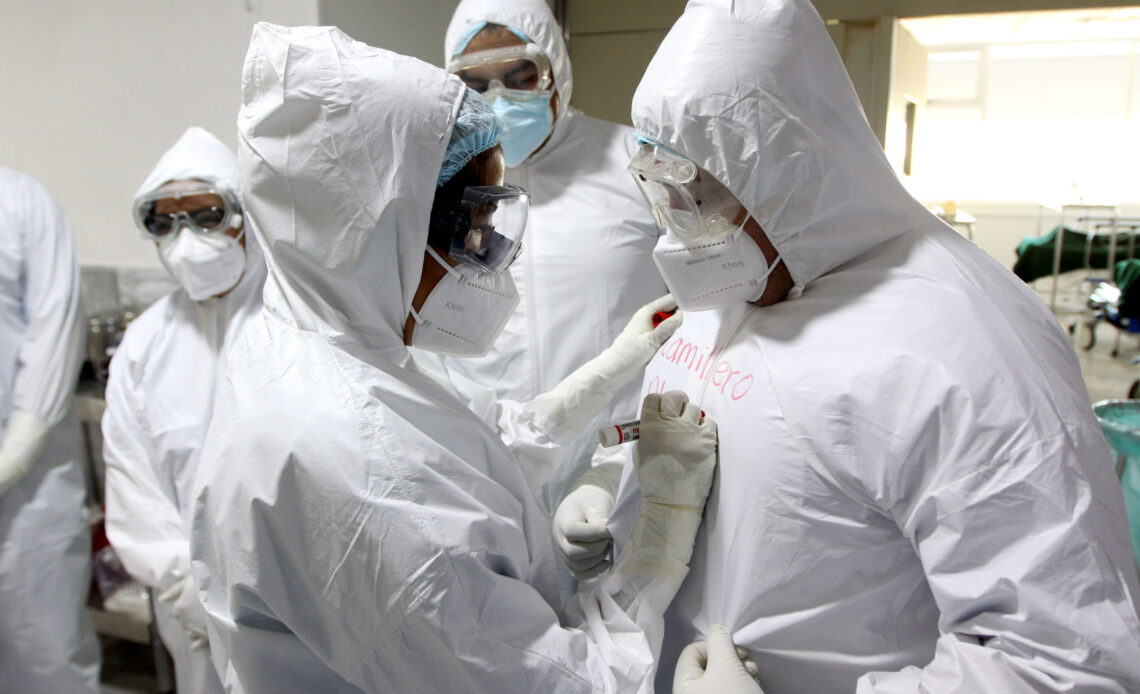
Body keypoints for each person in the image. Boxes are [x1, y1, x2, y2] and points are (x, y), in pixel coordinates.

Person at [557, 0, 1140, 692]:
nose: (682, 231)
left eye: (700, 195)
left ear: (790, 170)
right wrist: (612, 483)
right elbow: (712, 429)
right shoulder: (735, 276)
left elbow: (1063, 663)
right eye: (664, 192)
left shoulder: (966, 341)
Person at [191, 23, 716, 693]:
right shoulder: (366, 475)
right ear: (383, 228)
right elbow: (562, 682)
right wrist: (659, 544)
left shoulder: (320, 345)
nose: (489, 255)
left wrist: (596, 379)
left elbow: (456, 456)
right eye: (476, 227)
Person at [440, 0, 668, 510]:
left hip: (617, 463)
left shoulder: (634, 163)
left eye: (520, 77)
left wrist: (623, 467)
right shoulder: (443, 184)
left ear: (555, 70)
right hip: (486, 472)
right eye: (476, 84)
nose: (498, 99)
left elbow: (696, 315)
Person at [102, 126, 264, 694]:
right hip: (186, 609)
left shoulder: (293, 319)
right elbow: (132, 483)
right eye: (164, 222)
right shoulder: (145, 343)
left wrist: (247, 588)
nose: (185, 239)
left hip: (287, 606)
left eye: (205, 215)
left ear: (245, 215)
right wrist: (188, 584)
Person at [0, 167, 100, 693]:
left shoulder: (20, 203)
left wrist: (12, 458)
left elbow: (53, 328)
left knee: (42, 654)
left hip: (28, 487)